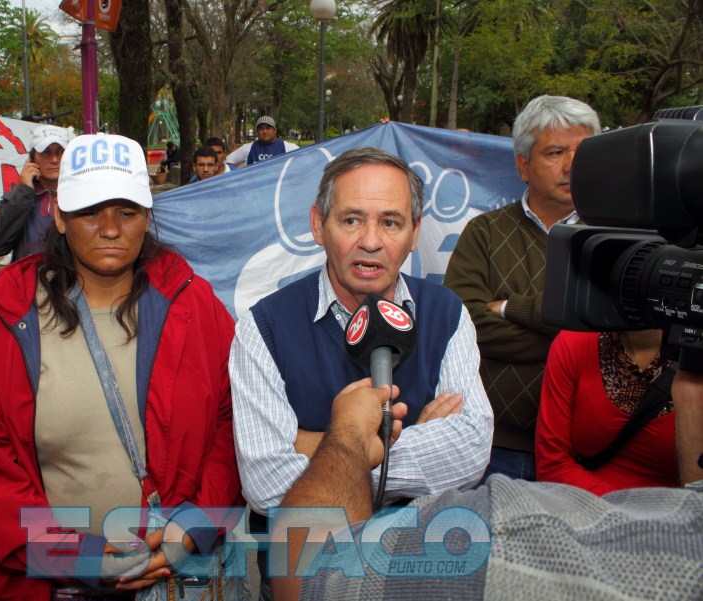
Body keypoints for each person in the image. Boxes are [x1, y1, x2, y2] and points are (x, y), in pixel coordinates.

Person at [0, 133, 243, 600]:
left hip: (175, 575)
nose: (109, 229)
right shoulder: (7, 316)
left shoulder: (193, 303)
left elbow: (231, 422)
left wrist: (197, 525)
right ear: (59, 217)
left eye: (127, 212)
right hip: (53, 584)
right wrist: (71, 556)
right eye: (89, 212)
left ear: (147, 216)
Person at [230, 147, 493, 596]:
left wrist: (331, 449)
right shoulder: (263, 327)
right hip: (305, 579)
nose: (371, 241)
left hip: (420, 574)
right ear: (319, 225)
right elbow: (266, 484)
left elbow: (469, 450)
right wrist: (412, 441)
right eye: (351, 220)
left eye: (391, 222)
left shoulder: (446, 312)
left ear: (415, 233)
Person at [271, 370, 703, 601]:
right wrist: (426, 440)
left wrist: (347, 434)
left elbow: (304, 564)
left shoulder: (509, 538)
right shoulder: (267, 322)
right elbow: (264, 474)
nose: (370, 241)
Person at [444, 95, 601, 482]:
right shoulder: (485, 233)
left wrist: (510, 308)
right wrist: (575, 339)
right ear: (523, 166)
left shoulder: (616, 236)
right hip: (496, 448)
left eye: (583, 153)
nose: (571, 166)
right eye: (555, 153)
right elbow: (464, 327)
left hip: (592, 451)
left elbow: (617, 330)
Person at [535, 329, 678, 494]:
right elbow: (552, 464)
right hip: (584, 504)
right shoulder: (575, 342)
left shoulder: (692, 358)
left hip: (671, 507)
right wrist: (620, 507)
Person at [0, 124, 75, 261]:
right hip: (28, 274)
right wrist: (24, 192)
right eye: (46, 152)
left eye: (60, 152)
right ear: (32, 159)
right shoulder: (19, 196)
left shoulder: (81, 194)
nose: (54, 159)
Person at [225, 116, 299, 167]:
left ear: (275, 130)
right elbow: (228, 161)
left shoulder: (287, 147)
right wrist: (239, 176)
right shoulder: (248, 148)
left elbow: (303, 159)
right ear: (257, 132)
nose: (265, 131)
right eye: (261, 129)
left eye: (268, 128)